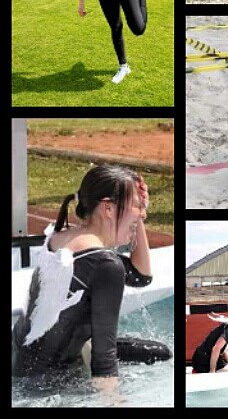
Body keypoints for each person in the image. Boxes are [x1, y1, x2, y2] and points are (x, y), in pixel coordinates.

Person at [12, 165, 170, 389]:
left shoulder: (60, 237)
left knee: (160, 352)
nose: (143, 213)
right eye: (137, 206)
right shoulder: (105, 264)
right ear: (108, 208)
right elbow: (104, 363)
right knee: (160, 355)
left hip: (21, 361)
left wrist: (136, 216)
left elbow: (140, 276)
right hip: (48, 383)